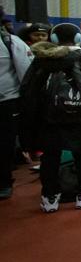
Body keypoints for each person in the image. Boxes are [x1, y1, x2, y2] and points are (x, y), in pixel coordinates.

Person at [19, 23, 81, 213]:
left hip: (49, 118)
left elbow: (29, 90)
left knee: (50, 157)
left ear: (53, 39)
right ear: (78, 38)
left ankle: (49, 197)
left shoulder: (42, 59)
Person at [0, 22, 31, 199]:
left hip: (6, 101)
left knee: (4, 143)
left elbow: (25, 73)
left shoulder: (11, 42)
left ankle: (4, 182)